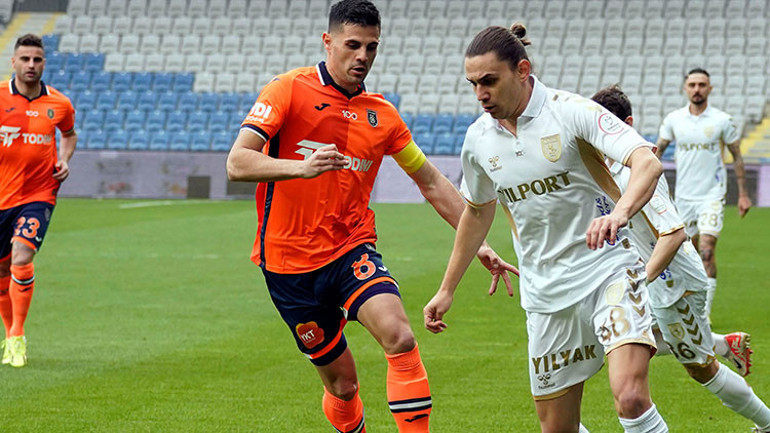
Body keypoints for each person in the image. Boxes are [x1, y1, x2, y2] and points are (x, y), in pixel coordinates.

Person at [225, 1, 517, 431]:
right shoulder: (287, 90)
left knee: (400, 337)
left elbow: (432, 182)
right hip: (288, 267)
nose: (363, 56)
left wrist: (481, 244)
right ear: (328, 42)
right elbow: (237, 163)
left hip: (350, 250)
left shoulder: (383, 116)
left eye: (372, 47)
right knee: (343, 386)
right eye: (353, 45)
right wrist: (299, 167)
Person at [423, 24, 668, 433]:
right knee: (557, 428)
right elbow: (477, 212)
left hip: (607, 272)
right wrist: (447, 289)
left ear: (522, 70)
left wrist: (619, 213)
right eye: (472, 84)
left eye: (489, 81)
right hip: (545, 293)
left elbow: (648, 161)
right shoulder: (478, 140)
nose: (480, 94)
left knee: (630, 396)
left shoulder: (571, 111)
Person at [593, 85, 770, 432]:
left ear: (627, 124)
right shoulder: (605, 168)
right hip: (649, 280)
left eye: (608, 125)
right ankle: (720, 342)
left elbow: (672, 234)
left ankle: (766, 422)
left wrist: (640, 280)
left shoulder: (637, 170)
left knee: (701, 367)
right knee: (611, 346)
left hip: (675, 283)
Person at [0, 34, 76, 368]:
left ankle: (18, 335)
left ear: (44, 63)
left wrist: (64, 159)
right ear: (13, 62)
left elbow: (69, 134)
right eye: (25, 59)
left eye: (38, 59)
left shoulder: (59, 103)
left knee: (22, 253)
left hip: (39, 193)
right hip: (3, 195)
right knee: (2, 268)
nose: (32, 65)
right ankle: (10, 334)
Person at [655, 68, 751, 319]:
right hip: (683, 198)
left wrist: (743, 194)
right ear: (685, 88)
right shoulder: (674, 120)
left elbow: (737, 156)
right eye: (692, 85)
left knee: (707, 250)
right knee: (689, 252)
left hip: (712, 196)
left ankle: (703, 316)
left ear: (710, 88)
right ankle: (689, 303)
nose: (697, 89)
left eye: (702, 84)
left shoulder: (722, 120)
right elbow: (656, 154)